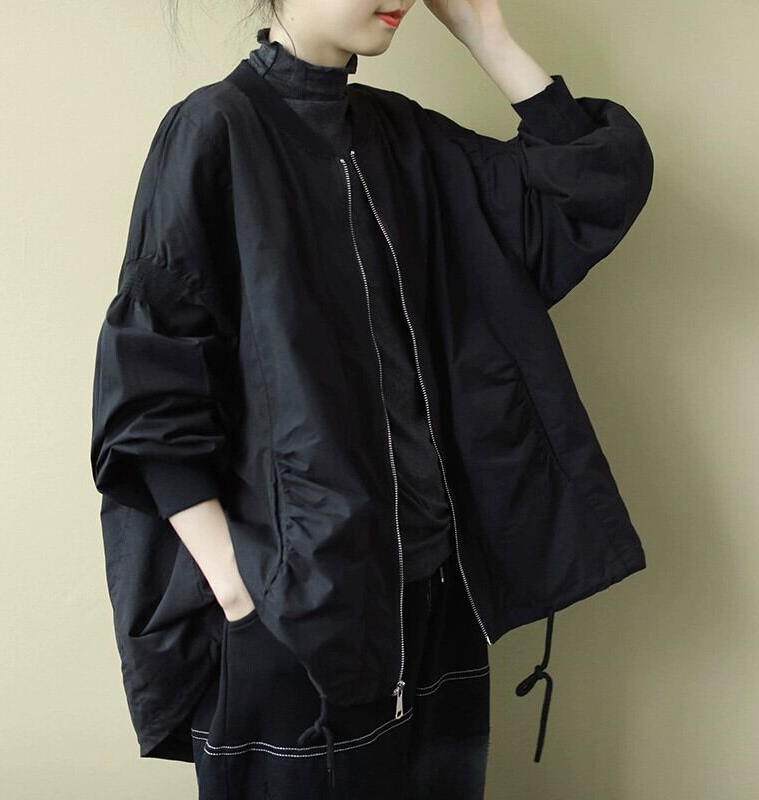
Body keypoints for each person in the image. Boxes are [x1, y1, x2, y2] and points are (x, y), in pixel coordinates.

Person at [90, 1, 653, 798]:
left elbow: (586, 188)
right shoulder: (215, 130)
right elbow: (149, 386)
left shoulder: (403, 137)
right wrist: (241, 588)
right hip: (295, 621)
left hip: (439, 605)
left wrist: (486, 34)